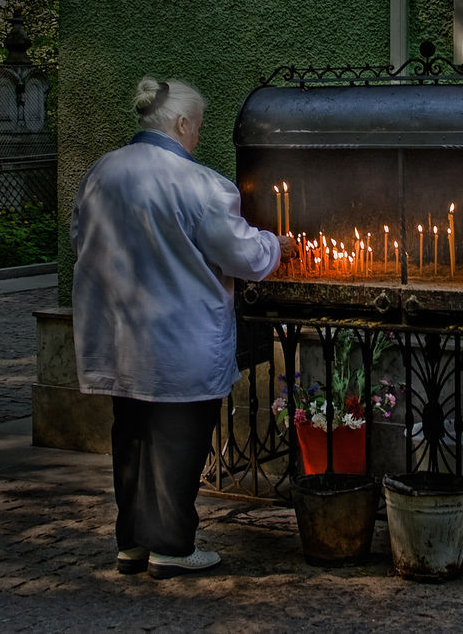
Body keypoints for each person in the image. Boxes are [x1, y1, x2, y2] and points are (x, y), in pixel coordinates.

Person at [70, 77, 292, 579]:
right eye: (198, 128)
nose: (198, 138)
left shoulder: (102, 172)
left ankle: (131, 544)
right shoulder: (201, 185)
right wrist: (277, 245)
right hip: (179, 338)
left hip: (122, 335)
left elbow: (79, 238)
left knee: (131, 439)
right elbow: (241, 254)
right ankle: (170, 546)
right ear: (183, 123)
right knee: (178, 442)